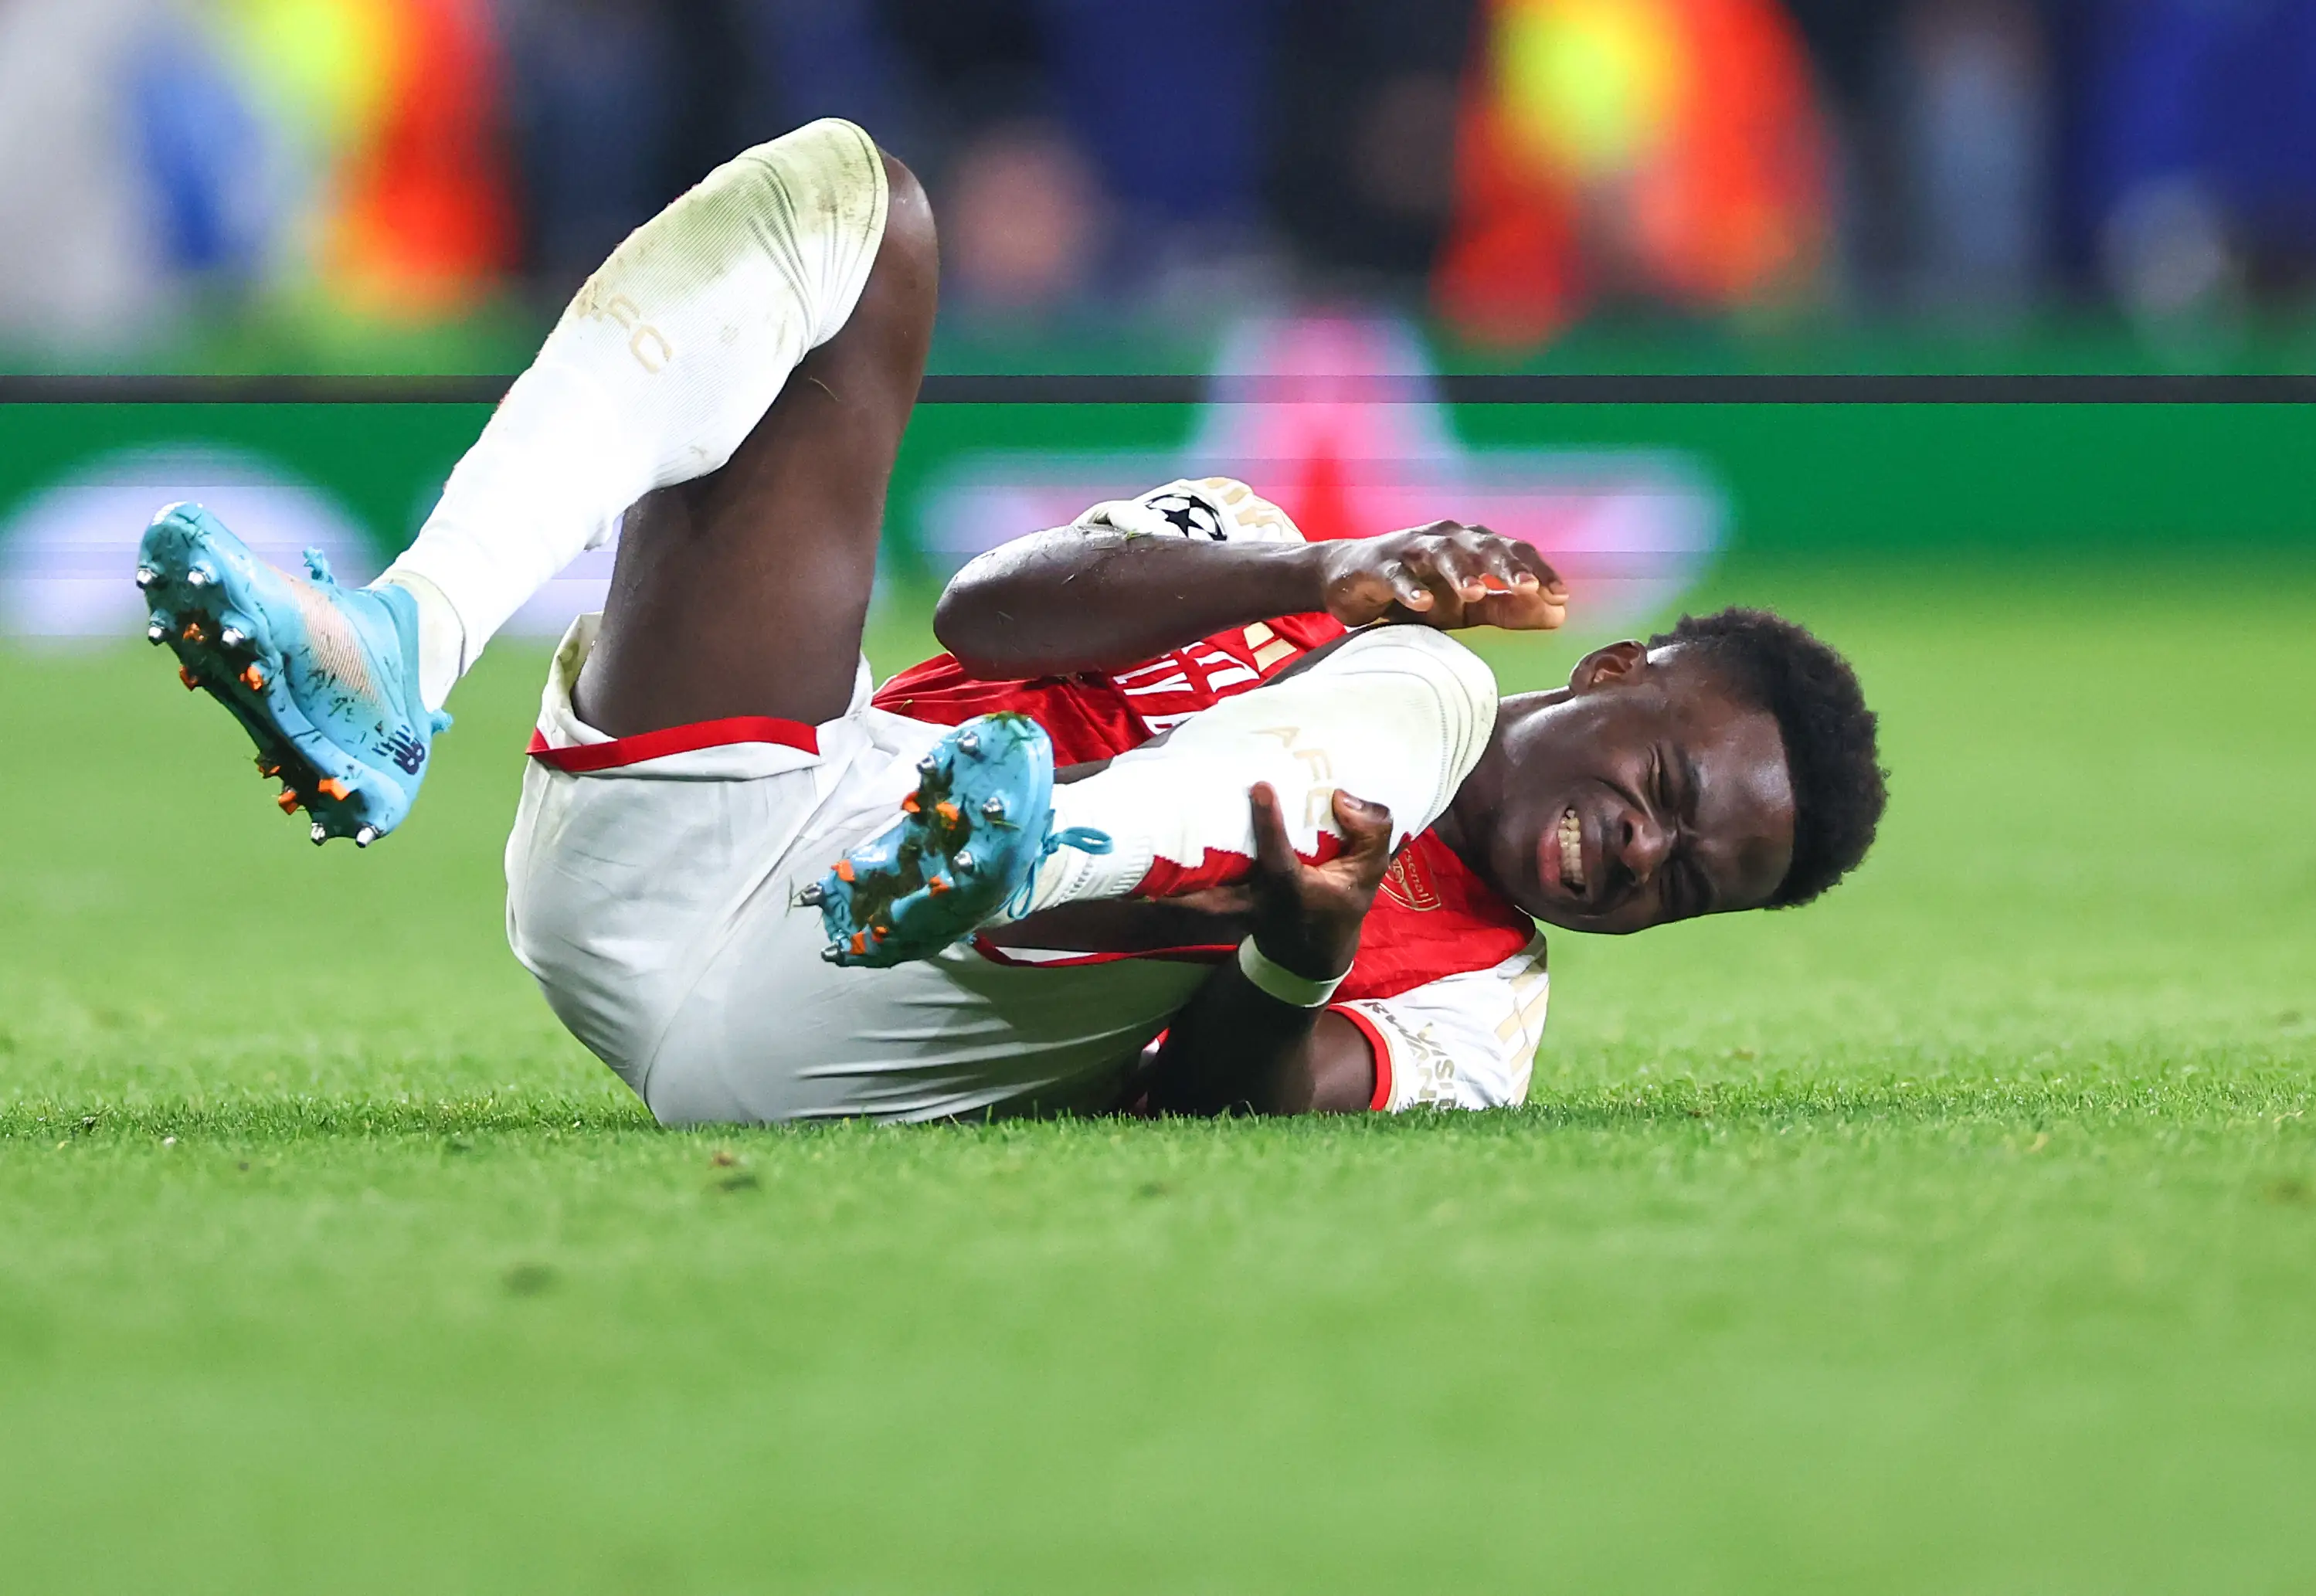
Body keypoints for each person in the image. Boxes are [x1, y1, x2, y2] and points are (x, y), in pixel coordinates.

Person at [134, 119, 1886, 1123]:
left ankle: (1015, 860)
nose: (1631, 853)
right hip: (717, 830)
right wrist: (1308, 579)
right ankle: (402, 649)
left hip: (847, 1033)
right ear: (1610, 672)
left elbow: (1233, 1105)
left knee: (1420, 686)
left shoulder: (1481, 1008)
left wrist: (1297, 947)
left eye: (1683, 882)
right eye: (1663, 788)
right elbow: (991, 607)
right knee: (855, 202)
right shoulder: (1268, 553)